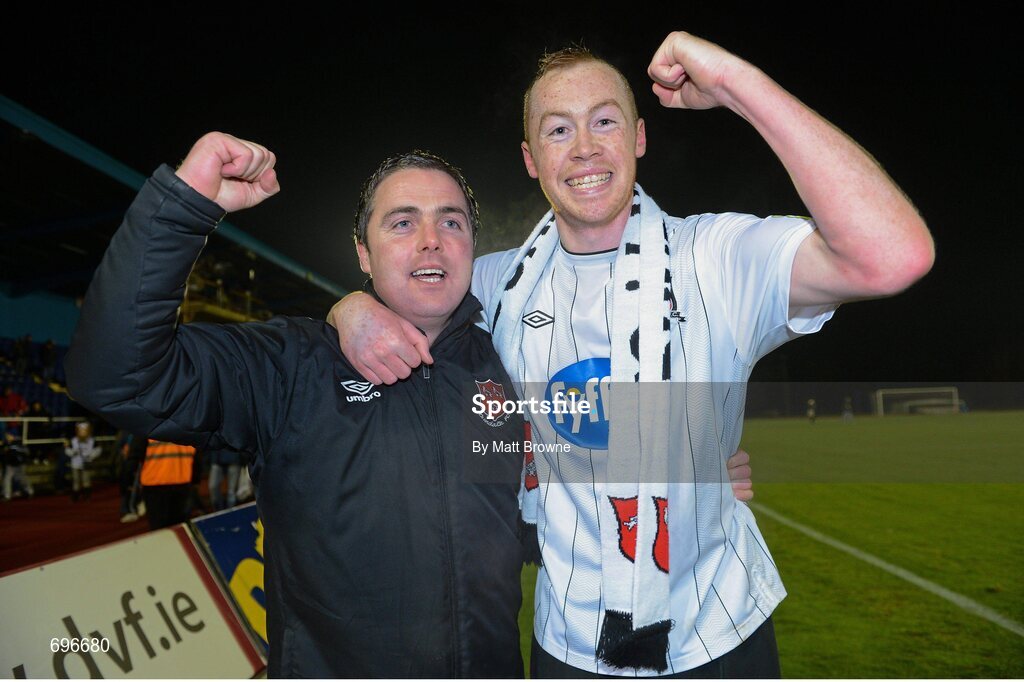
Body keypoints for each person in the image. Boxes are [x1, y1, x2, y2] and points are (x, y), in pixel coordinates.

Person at [330, 31, 933, 677]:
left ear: (639, 138)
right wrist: (352, 308)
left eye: (605, 121)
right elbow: (396, 291)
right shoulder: (492, 282)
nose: (585, 147)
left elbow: (893, 256)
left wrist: (737, 84)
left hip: (717, 638)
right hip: (569, 646)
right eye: (558, 130)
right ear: (531, 159)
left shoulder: (717, 257)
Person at [64, 134, 528, 677]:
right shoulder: (291, 363)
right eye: (402, 222)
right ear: (363, 252)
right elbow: (116, 378)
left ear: (472, 243)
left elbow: (598, 475)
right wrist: (185, 206)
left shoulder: (511, 359)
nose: (431, 240)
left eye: (451, 222)